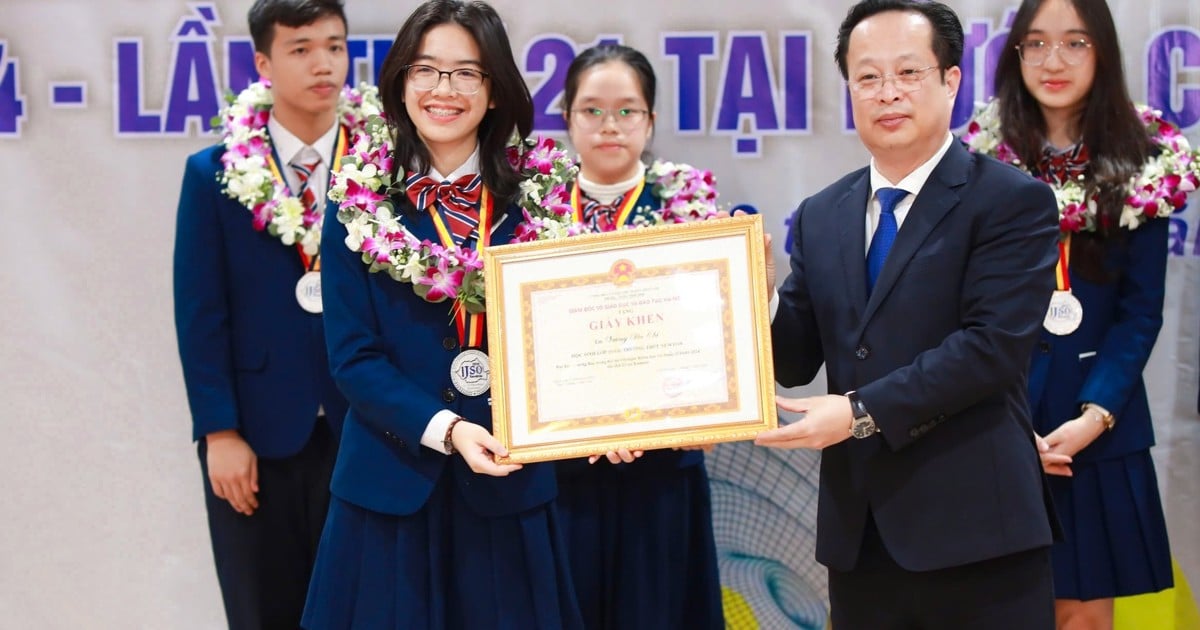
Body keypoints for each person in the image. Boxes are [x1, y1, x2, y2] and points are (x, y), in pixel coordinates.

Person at [755, 1, 1063, 627]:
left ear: (951, 81)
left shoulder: (1011, 201)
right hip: (861, 538)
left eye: (909, 73)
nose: (887, 93)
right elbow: (793, 360)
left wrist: (859, 412)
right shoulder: (821, 213)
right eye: (867, 77)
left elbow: (990, 349)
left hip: (978, 532)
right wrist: (756, 294)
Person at [301, 1, 582, 628]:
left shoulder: (543, 202)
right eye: (426, 70)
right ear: (401, 82)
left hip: (510, 484)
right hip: (391, 486)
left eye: (466, 73)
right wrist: (448, 428)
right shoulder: (357, 197)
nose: (443, 90)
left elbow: (570, 340)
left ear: (496, 89)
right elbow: (353, 357)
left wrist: (606, 420)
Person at [969, 0, 1185, 626]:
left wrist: (1097, 415)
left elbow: (1141, 314)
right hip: (998, 423)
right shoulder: (980, 158)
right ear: (1015, 56)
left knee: (1083, 617)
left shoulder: (1146, 156)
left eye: (1075, 43)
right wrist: (1005, 421)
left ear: (1104, 52)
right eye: (1034, 44)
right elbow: (966, 306)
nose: (1053, 61)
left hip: (1096, 426)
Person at [172, 0, 352, 627]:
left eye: (334, 45)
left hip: (365, 429)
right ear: (264, 62)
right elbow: (200, 314)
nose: (323, 63)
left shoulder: (383, 170)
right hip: (256, 434)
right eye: (301, 48)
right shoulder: (214, 175)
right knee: (263, 611)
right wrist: (219, 431)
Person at [555, 44, 723, 630]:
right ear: (567, 117)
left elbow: (711, 341)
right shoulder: (532, 211)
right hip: (563, 471)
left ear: (651, 121)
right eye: (592, 110)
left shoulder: (687, 208)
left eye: (628, 111)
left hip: (662, 472)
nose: (610, 126)